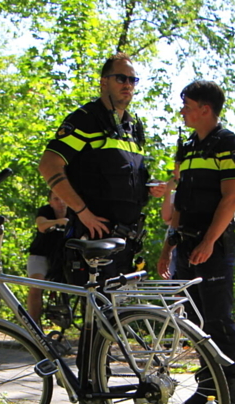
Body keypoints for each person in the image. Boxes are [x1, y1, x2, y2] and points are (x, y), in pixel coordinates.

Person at [157, 80, 235, 404]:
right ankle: (206, 391)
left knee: (217, 321)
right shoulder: (187, 148)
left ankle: (231, 397)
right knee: (194, 324)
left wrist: (209, 241)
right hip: (185, 245)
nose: (182, 111)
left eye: (187, 104)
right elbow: (179, 202)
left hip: (214, 247)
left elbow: (231, 198)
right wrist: (168, 246)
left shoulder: (229, 144)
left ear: (205, 109)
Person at [37, 53, 153, 286]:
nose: (128, 85)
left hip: (128, 240)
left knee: (119, 316)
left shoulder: (132, 127)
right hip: (95, 238)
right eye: (121, 78)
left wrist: (152, 188)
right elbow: (49, 165)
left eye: (133, 80)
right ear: (104, 82)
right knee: (101, 315)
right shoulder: (86, 120)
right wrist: (82, 211)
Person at [27, 190, 71, 324]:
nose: (61, 202)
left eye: (63, 198)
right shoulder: (45, 211)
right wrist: (59, 222)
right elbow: (41, 225)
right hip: (40, 255)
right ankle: (33, 326)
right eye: (56, 199)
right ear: (50, 202)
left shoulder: (75, 213)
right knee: (36, 286)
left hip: (65, 257)